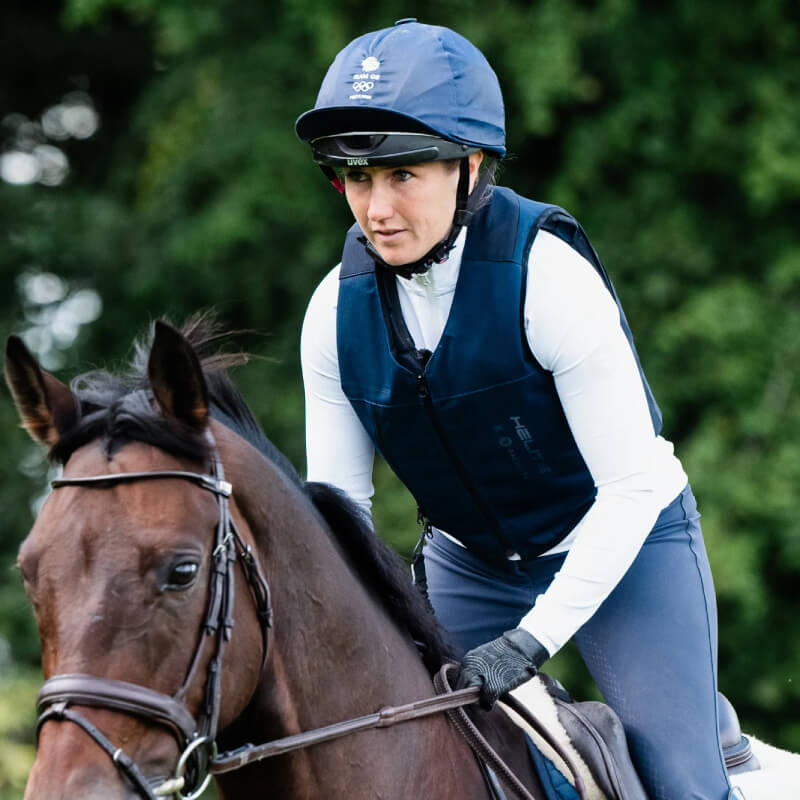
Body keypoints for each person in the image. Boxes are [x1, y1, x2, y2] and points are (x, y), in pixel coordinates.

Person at [296, 19, 739, 800]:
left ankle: (694, 723)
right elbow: (341, 511)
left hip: (628, 546)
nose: (377, 208)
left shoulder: (548, 277)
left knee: (681, 784)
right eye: (355, 180)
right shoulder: (334, 311)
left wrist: (532, 640)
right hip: (469, 561)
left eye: (404, 175)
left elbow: (632, 486)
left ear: (470, 167)